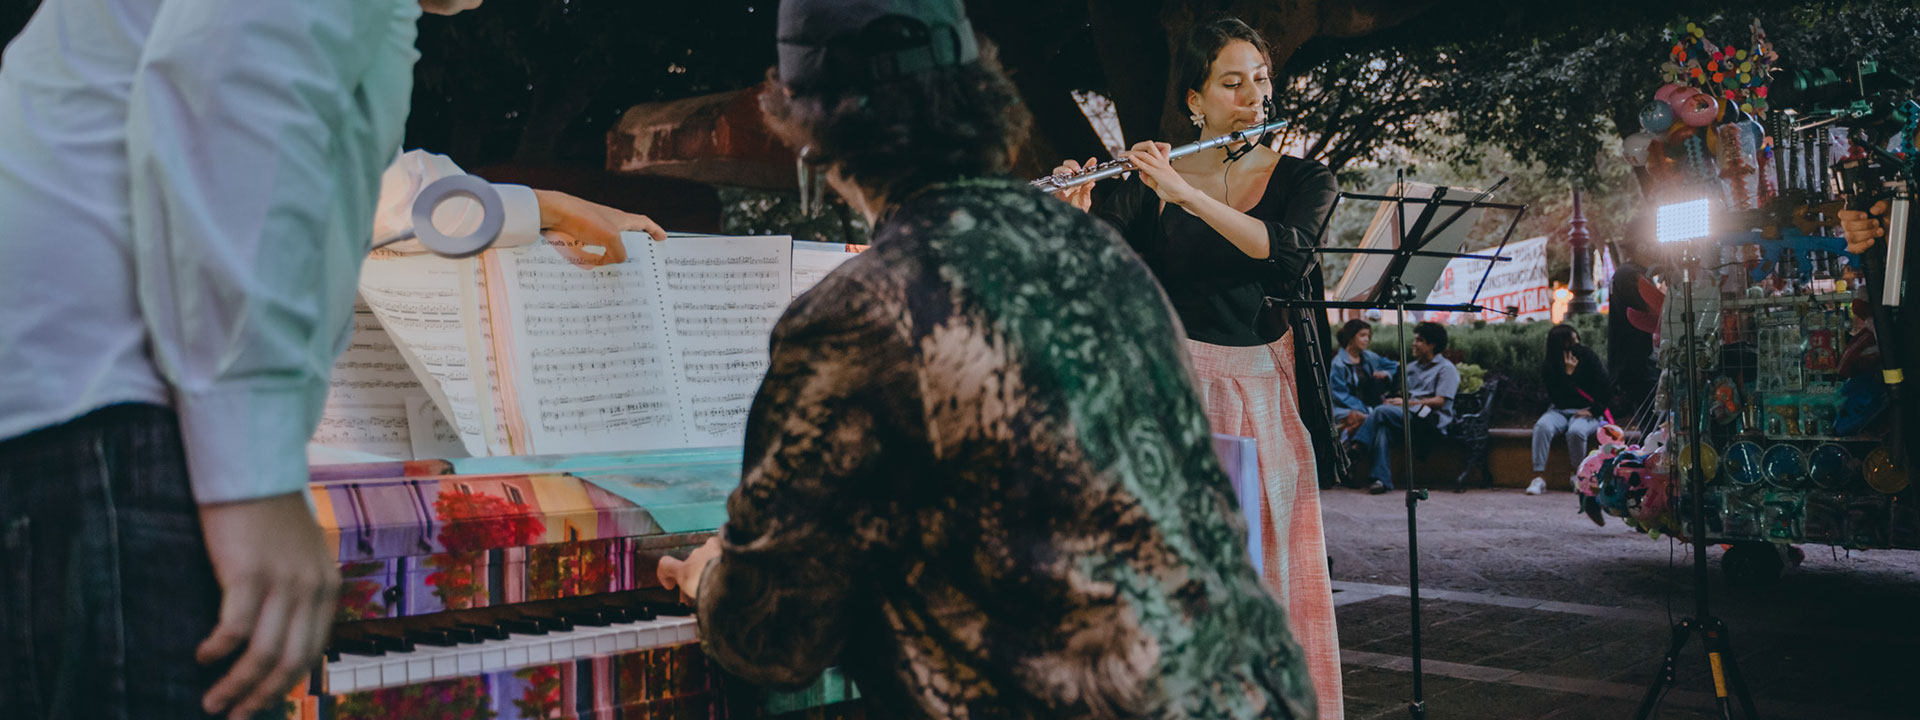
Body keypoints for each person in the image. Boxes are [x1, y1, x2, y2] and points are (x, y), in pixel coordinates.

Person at [655, 2, 1316, 718]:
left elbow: (777, 634)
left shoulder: (858, 311)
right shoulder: (1099, 256)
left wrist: (710, 577)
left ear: (814, 138)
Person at [0, 2, 655, 718]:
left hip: (100, 411)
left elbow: (357, 178)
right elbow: (226, 117)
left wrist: (535, 206)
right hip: (117, 410)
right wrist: (256, 482)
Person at [1051, 17, 1345, 716]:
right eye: (1231, 83)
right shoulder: (1154, 179)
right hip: (1169, 395)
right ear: (1195, 100)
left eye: (1260, 81)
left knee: (1259, 576)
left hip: (1258, 391)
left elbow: (1287, 255)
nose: (1253, 97)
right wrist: (1074, 210)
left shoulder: (1303, 178)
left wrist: (1186, 194)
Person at [1353, 322, 1460, 495]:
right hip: (1408, 417)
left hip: (1430, 421)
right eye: (1415, 339)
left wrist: (1406, 403)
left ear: (1432, 345)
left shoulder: (1446, 369)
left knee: (1380, 412)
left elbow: (1440, 401)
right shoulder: (1411, 368)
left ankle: (1358, 446)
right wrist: (1392, 399)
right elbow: (1401, 393)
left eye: (1420, 340)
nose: (1414, 344)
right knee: (1383, 427)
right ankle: (1381, 480)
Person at [1529, 325, 1613, 502]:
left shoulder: (1588, 357)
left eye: (1577, 341)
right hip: (1559, 410)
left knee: (1576, 431)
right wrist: (1568, 375)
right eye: (1571, 343)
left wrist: (1593, 410)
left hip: (1587, 411)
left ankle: (1578, 474)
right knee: (1542, 427)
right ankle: (1538, 477)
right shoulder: (1551, 365)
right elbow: (1557, 397)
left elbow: (1605, 388)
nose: (1577, 346)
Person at [1609, 213, 1662, 425]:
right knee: (1654, 430)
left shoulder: (1629, 273)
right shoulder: (1630, 275)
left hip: (1637, 368)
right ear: (1642, 245)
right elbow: (1659, 310)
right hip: (1640, 370)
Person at [1330, 320, 1398, 445]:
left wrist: (1385, 373)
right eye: (1362, 335)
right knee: (1365, 419)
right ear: (1351, 337)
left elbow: (1393, 366)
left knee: (1378, 423)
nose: (1366, 339)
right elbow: (1339, 395)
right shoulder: (1338, 363)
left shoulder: (1369, 356)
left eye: (1368, 336)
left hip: (1372, 406)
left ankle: (1357, 447)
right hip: (1346, 408)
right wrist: (1366, 410)